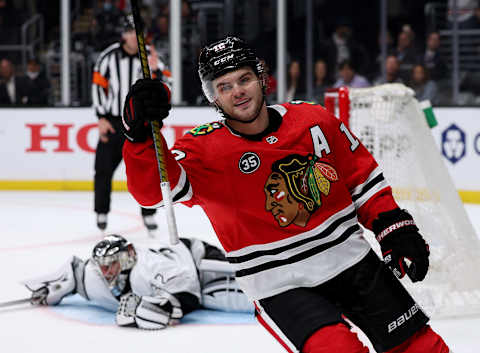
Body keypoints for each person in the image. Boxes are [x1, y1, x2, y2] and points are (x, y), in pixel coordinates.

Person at [120, 36, 449, 352]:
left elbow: (361, 179)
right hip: (280, 284)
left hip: (352, 261)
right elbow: (151, 193)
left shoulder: (312, 119)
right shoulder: (202, 150)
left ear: (262, 79)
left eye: (244, 79)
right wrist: (140, 136)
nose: (238, 92)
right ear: (213, 97)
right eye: (225, 86)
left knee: (421, 348)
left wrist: (392, 224)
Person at [24, 234, 252, 329]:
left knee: (236, 297)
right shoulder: (96, 273)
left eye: (111, 263)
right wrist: (53, 286)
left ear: (126, 257)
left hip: (199, 262)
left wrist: (163, 307)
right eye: (102, 264)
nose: (106, 271)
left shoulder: (149, 267)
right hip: (180, 270)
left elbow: (189, 292)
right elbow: (74, 272)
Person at [91, 14, 171, 233]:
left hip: (142, 123)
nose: (134, 37)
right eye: (129, 32)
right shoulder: (108, 57)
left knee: (147, 170)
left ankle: (149, 212)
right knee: (103, 169)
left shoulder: (152, 57)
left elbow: (167, 86)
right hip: (114, 121)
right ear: (123, 34)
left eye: (138, 32)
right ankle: (101, 212)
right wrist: (101, 118)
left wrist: (155, 70)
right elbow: (98, 86)